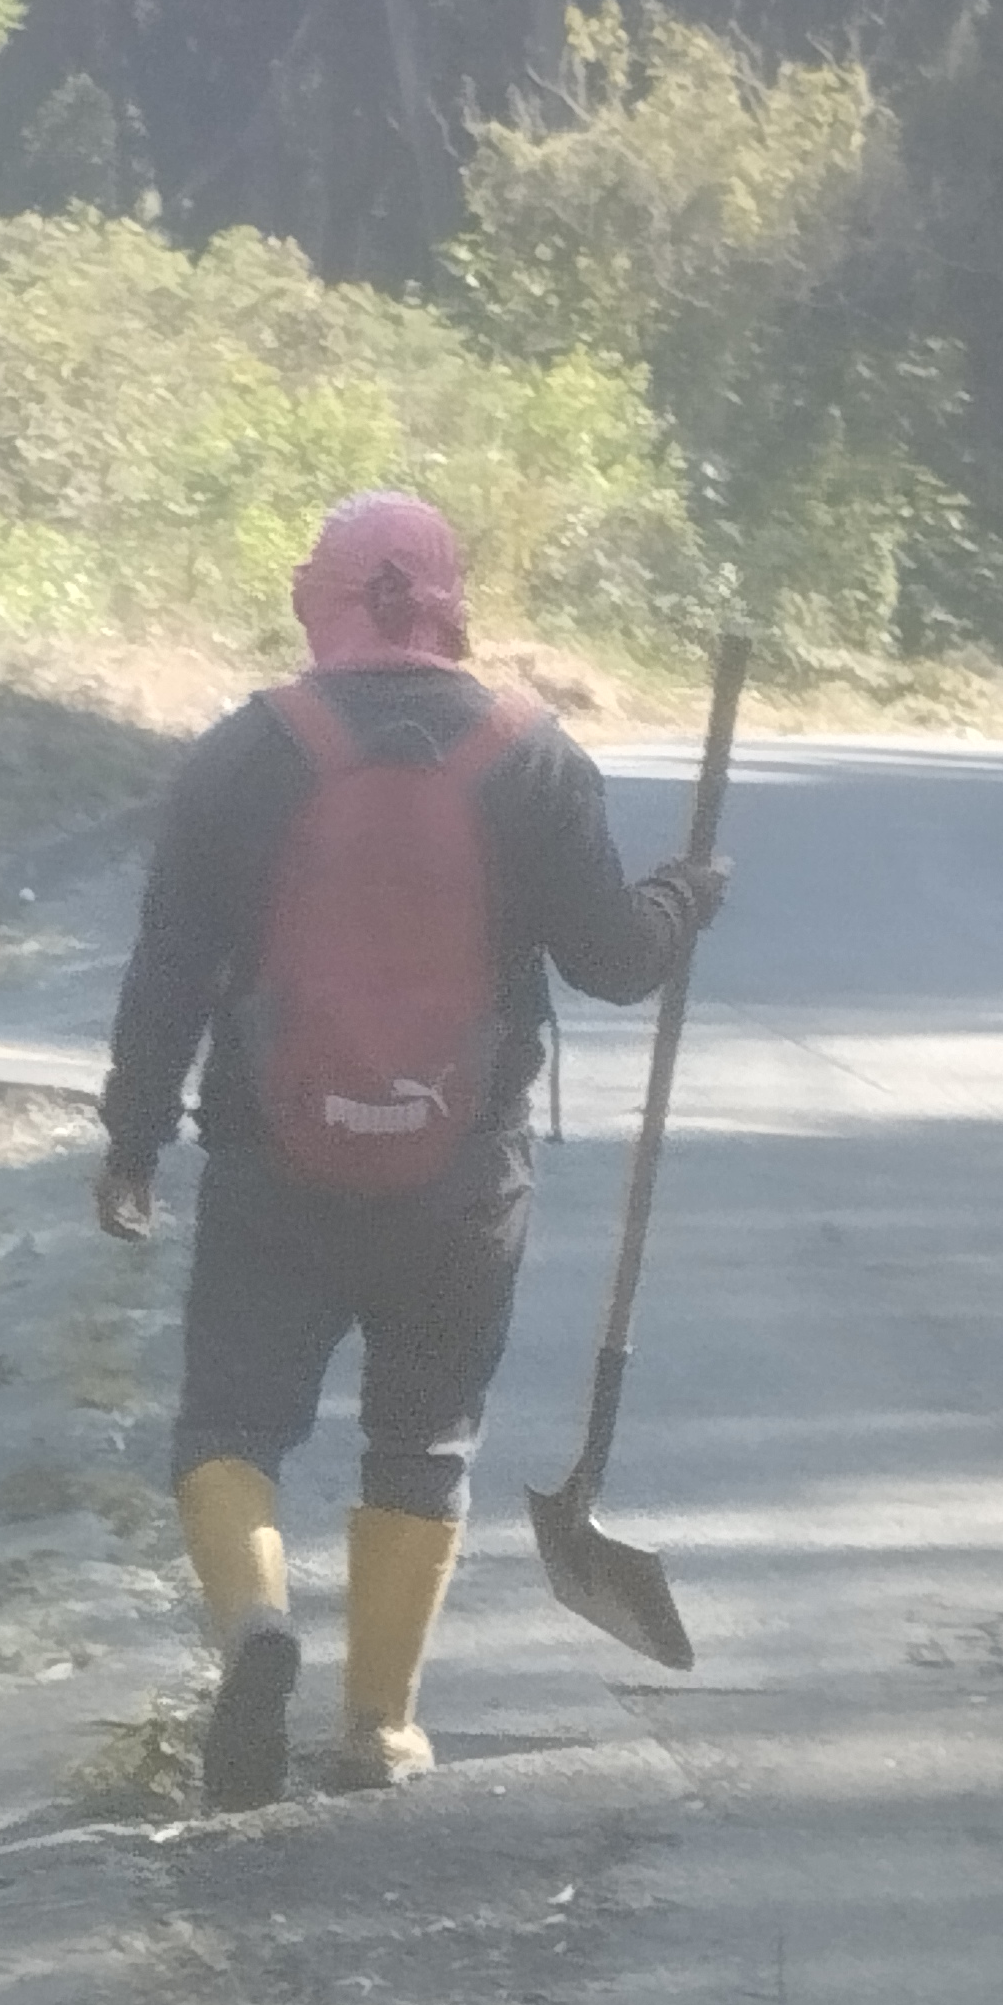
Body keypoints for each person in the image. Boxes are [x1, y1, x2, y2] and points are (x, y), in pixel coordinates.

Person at [92, 492, 727, 1810]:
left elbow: (168, 971)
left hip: (272, 1159)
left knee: (229, 1423)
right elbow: (615, 962)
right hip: (462, 1174)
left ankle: (257, 1622)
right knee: (425, 1436)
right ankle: (378, 1727)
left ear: (314, 597)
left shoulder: (241, 754)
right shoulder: (533, 756)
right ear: (452, 603)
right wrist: (684, 897)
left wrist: (133, 1137)